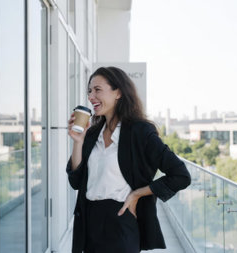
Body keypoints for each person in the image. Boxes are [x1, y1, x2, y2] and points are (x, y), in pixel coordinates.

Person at [66, 66, 191, 253]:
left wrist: (137, 194)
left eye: (97, 90)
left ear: (118, 92)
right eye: (89, 91)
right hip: (89, 221)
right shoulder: (92, 134)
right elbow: (76, 181)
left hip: (120, 221)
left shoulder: (140, 132)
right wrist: (78, 142)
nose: (91, 97)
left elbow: (181, 175)